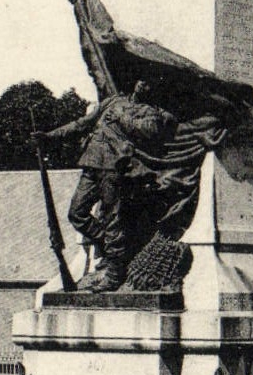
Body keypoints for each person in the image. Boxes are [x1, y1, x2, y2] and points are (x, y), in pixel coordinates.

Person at [35, 81, 176, 292]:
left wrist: (122, 118)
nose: (141, 85)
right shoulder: (113, 101)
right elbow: (83, 123)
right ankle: (117, 249)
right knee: (77, 213)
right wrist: (50, 136)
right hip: (92, 163)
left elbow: (150, 131)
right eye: (139, 81)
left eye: (147, 84)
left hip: (115, 168)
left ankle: (114, 274)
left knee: (113, 220)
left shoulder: (151, 112)